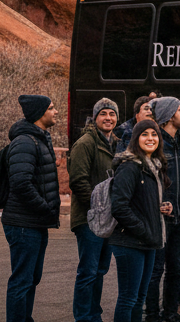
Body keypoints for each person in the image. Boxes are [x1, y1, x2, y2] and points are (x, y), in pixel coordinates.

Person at [2, 94, 61, 322]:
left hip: (35, 222)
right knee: (22, 280)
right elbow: (20, 183)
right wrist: (44, 208)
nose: (56, 112)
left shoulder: (40, 138)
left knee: (31, 278)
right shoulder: (26, 141)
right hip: (24, 223)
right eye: (52, 108)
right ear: (40, 113)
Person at [146, 97, 180, 322]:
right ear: (169, 116)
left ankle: (170, 312)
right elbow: (146, 181)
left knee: (177, 268)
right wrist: (158, 205)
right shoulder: (154, 143)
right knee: (155, 271)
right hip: (160, 219)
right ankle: (151, 314)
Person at [111, 119, 170, 322]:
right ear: (136, 139)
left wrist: (163, 206)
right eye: (144, 134)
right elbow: (119, 206)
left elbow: (144, 202)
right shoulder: (130, 167)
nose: (150, 138)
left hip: (148, 242)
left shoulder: (154, 166)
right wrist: (143, 230)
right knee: (128, 299)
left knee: (139, 299)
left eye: (154, 134)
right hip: (130, 242)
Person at [68, 97, 119, 322]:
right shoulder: (85, 143)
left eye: (112, 114)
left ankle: (94, 314)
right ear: (95, 117)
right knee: (88, 272)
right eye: (104, 114)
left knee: (100, 271)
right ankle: (83, 317)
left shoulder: (116, 143)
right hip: (89, 219)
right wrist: (98, 208)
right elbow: (78, 181)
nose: (108, 118)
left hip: (109, 220)